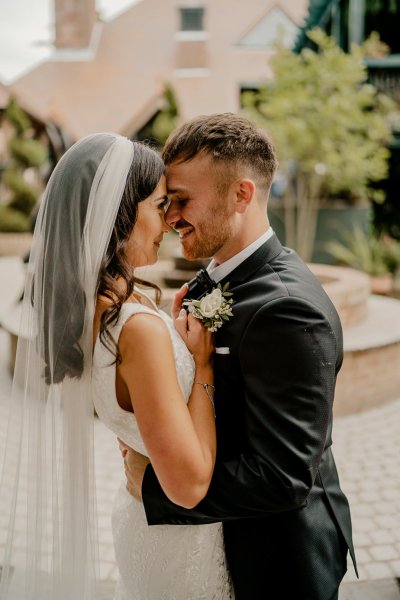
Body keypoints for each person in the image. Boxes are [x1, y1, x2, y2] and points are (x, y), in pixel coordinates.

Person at [121, 113, 358, 600]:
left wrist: (157, 486)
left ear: (241, 195)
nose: (169, 218)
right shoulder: (209, 282)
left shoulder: (289, 310)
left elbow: (283, 477)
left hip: (277, 563)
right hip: (220, 544)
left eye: (182, 200)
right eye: (167, 202)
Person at [0, 133, 233, 599]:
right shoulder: (136, 329)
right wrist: (203, 365)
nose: (168, 221)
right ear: (120, 215)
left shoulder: (87, 311)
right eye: (159, 205)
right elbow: (187, 486)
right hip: (178, 541)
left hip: (142, 519)